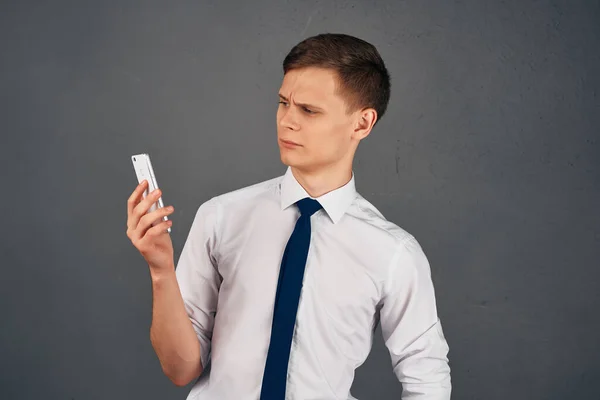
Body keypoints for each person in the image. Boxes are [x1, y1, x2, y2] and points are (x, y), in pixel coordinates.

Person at [126, 33, 451, 400]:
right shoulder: (221, 217)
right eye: (283, 103)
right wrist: (160, 270)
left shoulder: (393, 252)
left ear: (362, 123)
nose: (287, 121)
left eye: (309, 110)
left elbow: (427, 375)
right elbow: (181, 369)